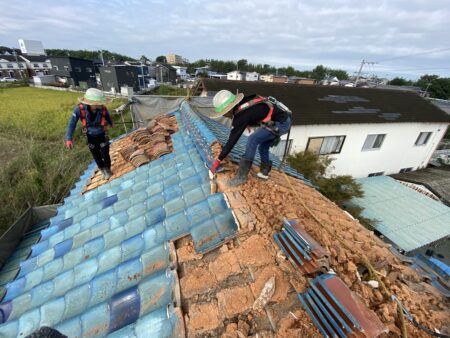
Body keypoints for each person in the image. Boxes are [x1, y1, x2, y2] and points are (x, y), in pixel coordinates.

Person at [210, 89, 292, 186]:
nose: (224, 115)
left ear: (229, 108)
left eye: (224, 112)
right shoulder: (244, 103)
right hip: (281, 119)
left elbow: (232, 140)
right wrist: (248, 122)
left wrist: (218, 160)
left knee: (253, 139)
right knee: (263, 147)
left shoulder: (241, 116)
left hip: (281, 123)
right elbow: (256, 112)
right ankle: (264, 172)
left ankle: (241, 177)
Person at [65, 88, 114, 180]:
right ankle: (102, 169)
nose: (101, 104)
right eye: (99, 102)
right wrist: (69, 138)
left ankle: (107, 169)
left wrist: (111, 123)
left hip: (102, 134)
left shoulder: (102, 109)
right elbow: (72, 124)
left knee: (105, 153)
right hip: (90, 136)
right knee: (96, 155)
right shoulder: (79, 110)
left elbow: (107, 116)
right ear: (92, 103)